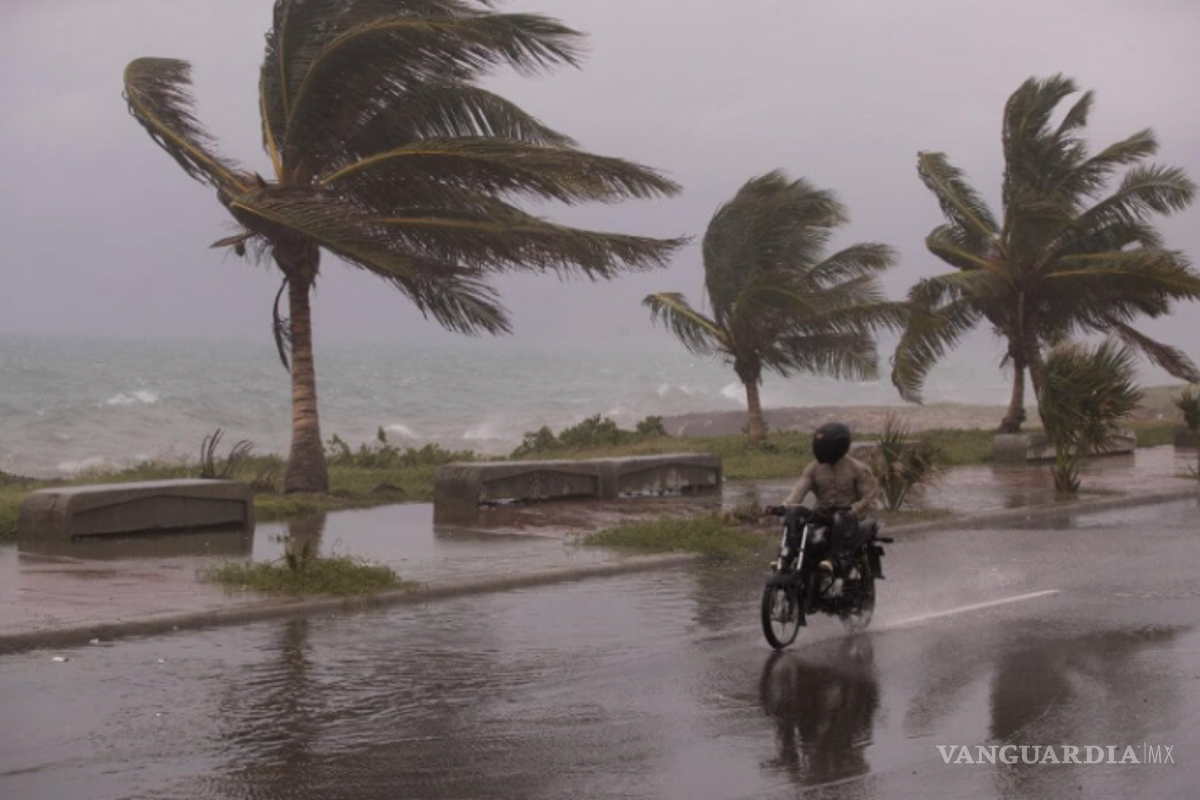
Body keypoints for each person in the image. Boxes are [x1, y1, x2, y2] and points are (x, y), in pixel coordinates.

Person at [781, 422, 879, 594]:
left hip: (849, 519)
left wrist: (853, 510)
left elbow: (870, 497)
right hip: (822, 514)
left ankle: (833, 560)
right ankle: (787, 555)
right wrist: (784, 506)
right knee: (794, 513)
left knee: (840, 518)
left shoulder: (857, 468)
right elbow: (798, 492)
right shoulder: (813, 468)